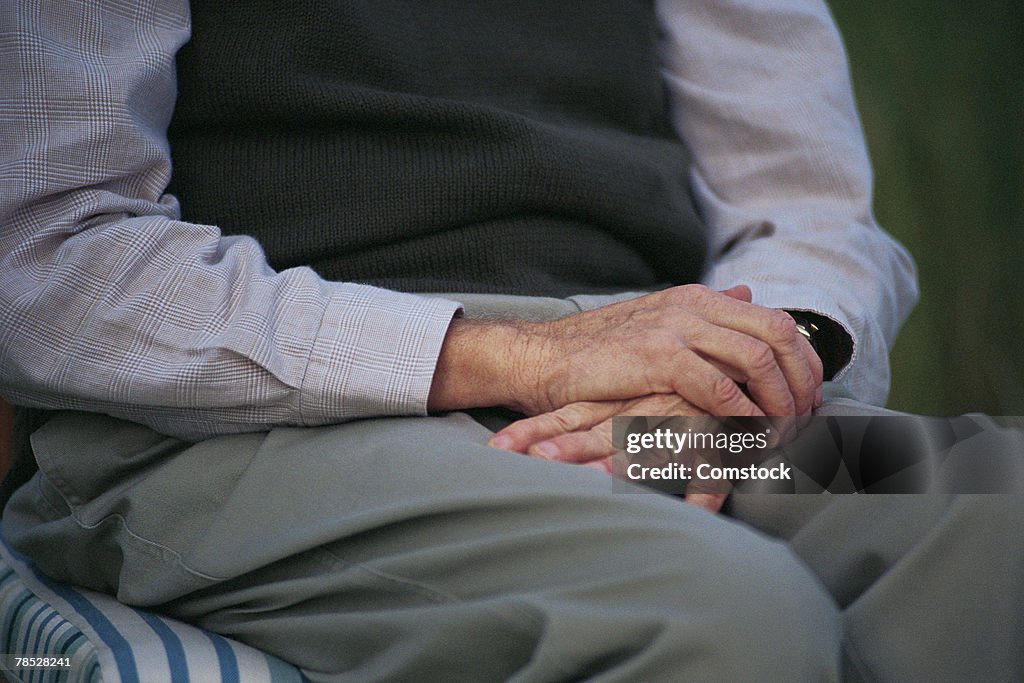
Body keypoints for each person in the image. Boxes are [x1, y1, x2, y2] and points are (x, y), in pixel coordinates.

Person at [1, 1, 1020, 680]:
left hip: (641, 415)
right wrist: (522, 357)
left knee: (998, 504)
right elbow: (44, 252)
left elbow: (808, 205)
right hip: (260, 423)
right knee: (714, 614)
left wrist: (746, 363)